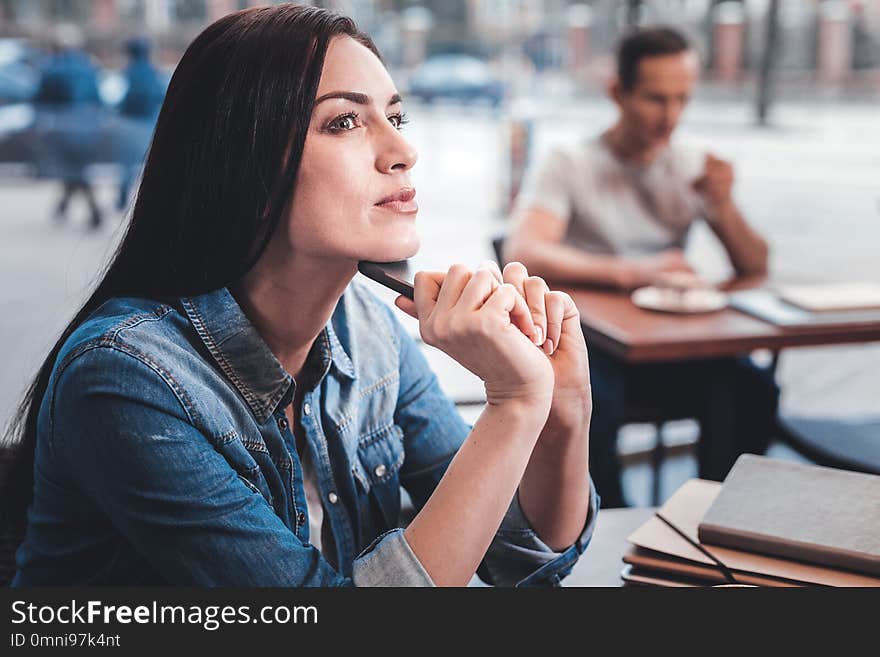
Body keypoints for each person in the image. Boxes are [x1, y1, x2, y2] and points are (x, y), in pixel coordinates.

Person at [3, 5, 596, 587]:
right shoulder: (126, 378)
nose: (403, 152)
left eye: (397, 117)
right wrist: (514, 404)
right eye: (344, 122)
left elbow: (518, 558)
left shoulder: (366, 328)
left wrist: (560, 409)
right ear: (243, 160)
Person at [504, 26, 779, 508]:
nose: (670, 117)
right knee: (587, 399)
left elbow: (755, 264)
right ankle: (608, 528)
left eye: (682, 99)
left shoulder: (691, 166)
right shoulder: (570, 163)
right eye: (656, 99)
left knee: (751, 389)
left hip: (670, 347)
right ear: (618, 92)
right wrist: (634, 271)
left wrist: (724, 205)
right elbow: (523, 250)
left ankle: (718, 517)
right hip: (597, 346)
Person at [32, 24, 105, 229]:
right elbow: (98, 99)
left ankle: (94, 209)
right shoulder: (88, 66)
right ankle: (64, 205)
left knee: (73, 168)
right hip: (89, 125)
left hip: (62, 124)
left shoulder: (50, 66)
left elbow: (39, 99)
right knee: (76, 166)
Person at [115, 37, 165, 211]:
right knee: (152, 161)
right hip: (150, 121)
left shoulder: (129, 72)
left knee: (127, 163)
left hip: (130, 121)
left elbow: (121, 98)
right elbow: (161, 95)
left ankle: (122, 197)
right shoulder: (153, 72)